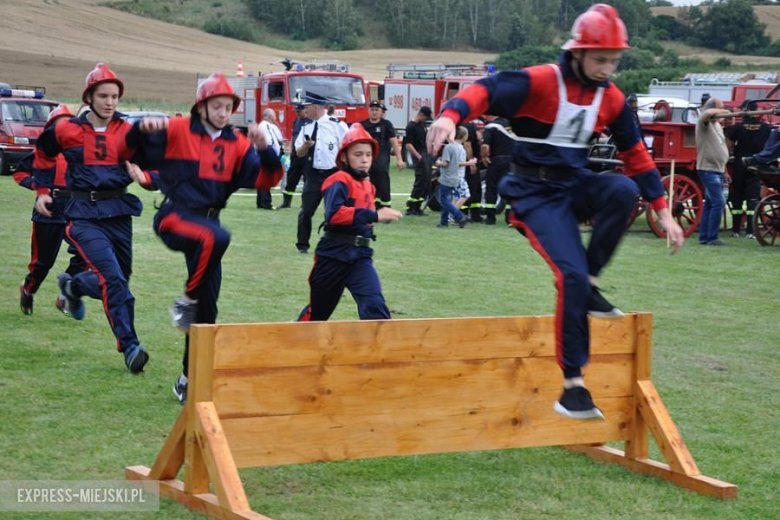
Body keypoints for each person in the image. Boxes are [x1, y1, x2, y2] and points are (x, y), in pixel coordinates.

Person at [426, 4, 684, 420]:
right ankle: (573, 387)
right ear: (577, 53)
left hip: (573, 182)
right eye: (600, 59)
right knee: (569, 276)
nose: (606, 69)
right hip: (532, 192)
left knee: (621, 187)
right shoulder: (542, 80)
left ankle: (592, 283)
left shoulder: (612, 98)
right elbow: (485, 91)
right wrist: (449, 115)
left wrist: (663, 211)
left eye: (614, 61)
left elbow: (635, 153)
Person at [125, 72, 282, 404]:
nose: (223, 113)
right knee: (219, 238)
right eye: (217, 105)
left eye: (228, 107)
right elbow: (126, 149)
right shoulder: (179, 128)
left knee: (206, 315)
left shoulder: (238, 144)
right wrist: (140, 130)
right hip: (174, 217)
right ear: (201, 106)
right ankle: (186, 301)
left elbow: (268, 180)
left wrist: (266, 149)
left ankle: (187, 378)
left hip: (208, 226)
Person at [34, 63, 150, 374]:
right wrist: (43, 190)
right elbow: (43, 153)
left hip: (118, 214)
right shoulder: (66, 130)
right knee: (114, 281)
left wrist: (143, 173)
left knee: (119, 280)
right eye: (103, 96)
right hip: (82, 216)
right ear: (89, 97)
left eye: (114, 96)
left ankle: (72, 287)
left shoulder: (129, 131)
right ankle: (130, 347)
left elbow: (152, 160)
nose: (110, 102)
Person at [297, 124, 402, 321]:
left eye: (368, 155)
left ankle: (380, 350)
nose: (364, 159)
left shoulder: (369, 186)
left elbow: (363, 220)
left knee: (375, 307)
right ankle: (291, 343)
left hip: (360, 256)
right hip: (333, 255)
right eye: (358, 154)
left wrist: (370, 221)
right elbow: (335, 214)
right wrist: (375, 215)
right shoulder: (338, 180)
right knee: (318, 316)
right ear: (344, 157)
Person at [15, 105, 87, 315]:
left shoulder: (77, 152)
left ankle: (66, 295)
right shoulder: (42, 152)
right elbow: (20, 173)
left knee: (86, 254)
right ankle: (28, 291)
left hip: (75, 209)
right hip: (48, 211)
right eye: (59, 124)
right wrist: (38, 187)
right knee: (43, 263)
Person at [294, 92, 348, 254]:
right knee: (306, 211)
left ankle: (334, 243)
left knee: (333, 212)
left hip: (332, 174)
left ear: (315, 107)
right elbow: (299, 153)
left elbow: (347, 146)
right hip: (313, 175)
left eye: (307, 107)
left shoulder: (337, 125)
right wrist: (305, 146)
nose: (305, 111)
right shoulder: (306, 128)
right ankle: (302, 245)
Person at [725, 101, 771, 239]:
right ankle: (751, 231)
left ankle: (735, 230)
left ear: (745, 110)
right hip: (757, 165)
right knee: (753, 199)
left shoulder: (738, 127)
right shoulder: (765, 128)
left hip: (739, 165)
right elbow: (770, 148)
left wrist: (725, 164)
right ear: (758, 111)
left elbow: (727, 146)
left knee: (737, 198)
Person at [696, 97, 732, 246]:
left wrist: (724, 170)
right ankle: (712, 237)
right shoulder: (703, 122)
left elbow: (721, 146)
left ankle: (704, 237)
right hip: (708, 169)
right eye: (720, 108)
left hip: (716, 169)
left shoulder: (717, 125)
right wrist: (725, 111)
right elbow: (707, 113)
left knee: (711, 204)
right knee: (718, 202)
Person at [360, 100, 404, 209]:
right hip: (368, 159)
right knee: (368, 183)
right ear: (368, 111)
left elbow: (394, 142)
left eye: (377, 110)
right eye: (372, 110)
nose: (374, 112)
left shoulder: (386, 124)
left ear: (381, 112)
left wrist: (399, 159)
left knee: (383, 182)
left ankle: (386, 207)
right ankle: (372, 206)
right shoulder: (362, 125)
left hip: (382, 159)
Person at [435, 126, 475, 228]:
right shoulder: (458, 147)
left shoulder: (449, 147)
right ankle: (444, 222)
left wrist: (438, 163)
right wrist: (469, 163)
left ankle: (459, 216)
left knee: (444, 200)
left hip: (447, 177)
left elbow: (446, 163)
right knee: (447, 198)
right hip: (455, 177)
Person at [480, 117, 514, 225]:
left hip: (496, 160)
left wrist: (484, 157)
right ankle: (510, 218)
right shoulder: (513, 125)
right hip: (512, 161)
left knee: (491, 188)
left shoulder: (491, 126)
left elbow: (485, 146)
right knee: (510, 189)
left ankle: (490, 218)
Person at [279, 104, 310, 209]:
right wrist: (291, 149)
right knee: (291, 179)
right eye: (296, 111)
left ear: (305, 110)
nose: (297, 113)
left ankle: (304, 203)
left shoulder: (311, 122)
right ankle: (286, 202)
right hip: (295, 156)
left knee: (307, 180)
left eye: (299, 111)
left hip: (306, 155)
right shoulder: (296, 121)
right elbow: (293, 135)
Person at [404, 106, 433, 215]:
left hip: (426, 154)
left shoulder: (422, 125)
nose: (426, 120)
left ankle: (418, 207)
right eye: (426, 117)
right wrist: (418, 156)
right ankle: (411, 207)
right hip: (420, 154)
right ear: (421, 114)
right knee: (420, 182)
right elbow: (408, 144)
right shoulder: (411, 126)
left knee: (426, 182)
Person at [256, 108, 285, 210]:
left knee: (263, 177)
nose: (275, 118)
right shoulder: (266, 126)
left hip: (266, 153)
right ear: (270, 116)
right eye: (274, 116)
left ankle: (260, 202)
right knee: (267, 178)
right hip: (268, 153)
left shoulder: (265, 126)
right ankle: (266, 203)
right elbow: (270, 140)